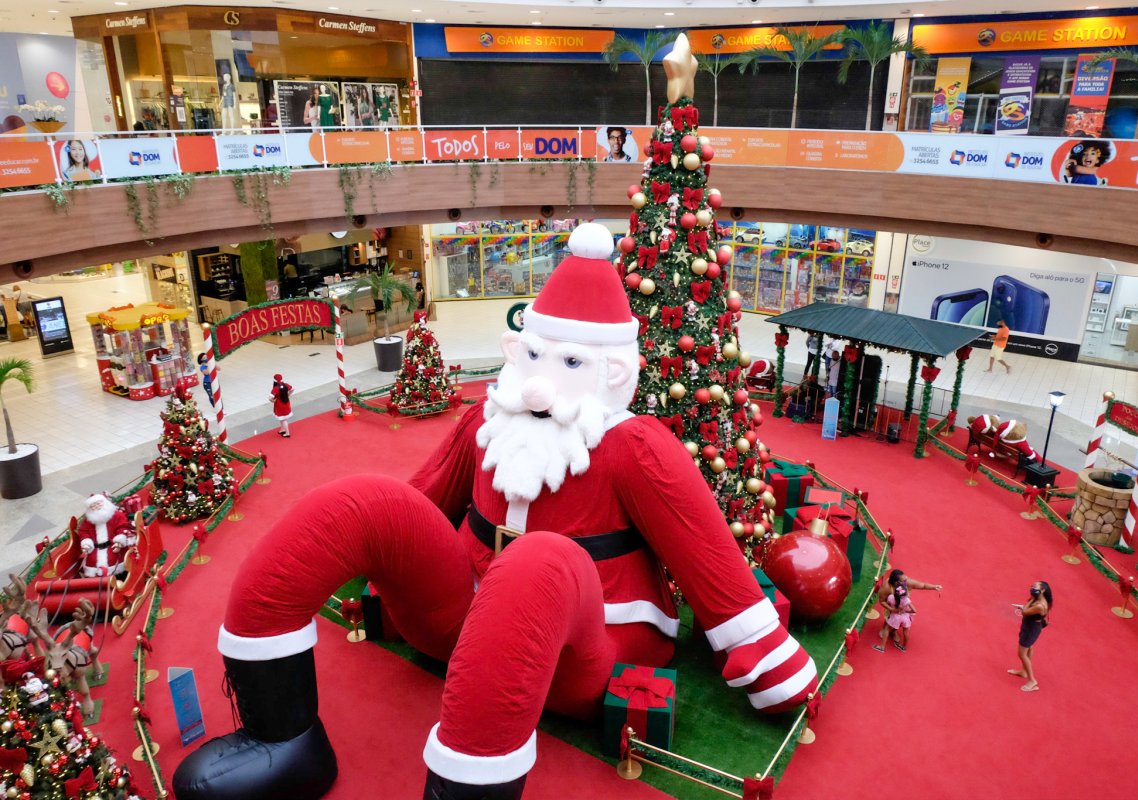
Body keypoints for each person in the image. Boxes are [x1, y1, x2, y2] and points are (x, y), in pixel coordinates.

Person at [174, 224, 817, 799]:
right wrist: (370, 554)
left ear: (612, 372)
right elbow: (421, 499)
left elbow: (703, 549)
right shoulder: (488, 420)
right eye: (534, 357)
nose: (539, 383)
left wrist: (768, 659)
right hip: (462, 609)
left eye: (568, 363)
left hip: (591, 648)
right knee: (358, 503)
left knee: (536, 569)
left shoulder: (634, 445)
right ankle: (281, 738)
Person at [874, 568, 942, 653]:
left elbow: (923, 585)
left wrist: (934, 587)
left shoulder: (906, 583)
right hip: (895, 611)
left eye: (905, 579)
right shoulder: (886, 587)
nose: (906, 581)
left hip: (901, 613)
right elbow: (882, 601)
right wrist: (892, 609)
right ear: (896, 583)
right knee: (890, 622)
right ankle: (899, 642)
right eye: (904, 580)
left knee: (892, 626)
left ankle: (889, 636)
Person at [75, 494, 134, 578]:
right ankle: (94, 583)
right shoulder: (89, 520)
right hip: (95, 549)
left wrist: (119, 542)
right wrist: (86, 543)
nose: (97, 507)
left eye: (98, 504)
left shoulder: (117, 515)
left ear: (105, 503)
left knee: (113, 560)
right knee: (91, 561)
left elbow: (122, 527)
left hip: (113, 546)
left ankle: (120, 580)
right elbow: (83, 531)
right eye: (93, 506)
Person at [1008, 581, 1052, 692]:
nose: (1032, 588)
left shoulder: (1039, 605)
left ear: (1042, 590)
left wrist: (1031, 599)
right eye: (1032, 586)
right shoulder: (1040, 600)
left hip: (1030, 629)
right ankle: (1023, 671)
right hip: (1030, 627)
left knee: (1022, 654)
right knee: (1029, 648)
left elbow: (1025, 612)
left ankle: (1032, 680)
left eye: (1035, 587)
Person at [270, 374, 293, 438]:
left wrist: (273, 401)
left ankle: (287, 433)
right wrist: (288, 394)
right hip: (286, 403)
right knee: (282, 418)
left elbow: (270, 397)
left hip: (279, 405)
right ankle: (282, 429)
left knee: (283, 419)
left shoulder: (276, 388)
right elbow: (292, 389)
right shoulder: (286, 385)